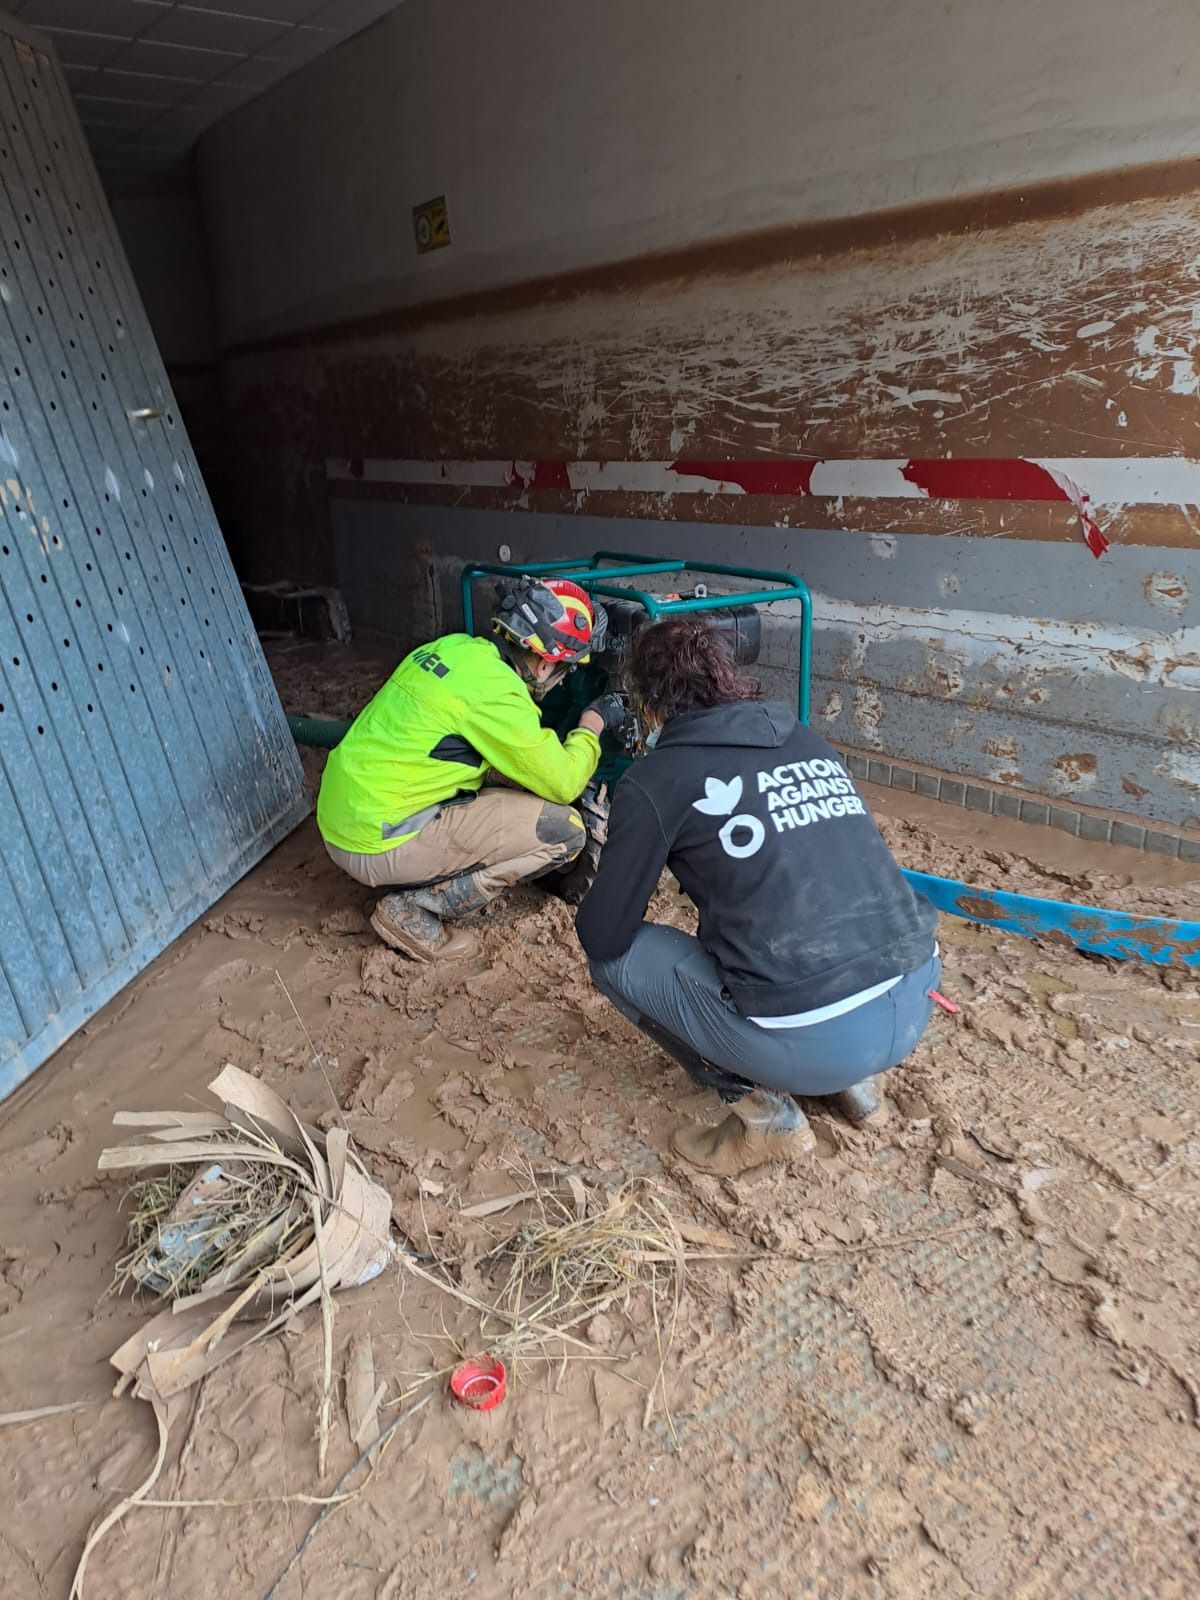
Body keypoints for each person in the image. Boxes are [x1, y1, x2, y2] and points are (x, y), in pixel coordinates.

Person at [575, 616, 940, 1175]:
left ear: (649, 706)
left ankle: (767, 1120)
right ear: (730, 677)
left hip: (818, 1039)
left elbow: (602, 932)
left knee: (614, 962)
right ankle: (859, 1090)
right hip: (913, 1000)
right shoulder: (806, 740)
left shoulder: (658, 779)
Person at [318, 577, 627, 960]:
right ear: (546, 664)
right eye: (567, 668)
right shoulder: (498, 695)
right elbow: (564, 783)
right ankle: (416, 912)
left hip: (341, 817)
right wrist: (592, 723)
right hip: (377, 841)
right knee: (564, 831)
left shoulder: (455, 648)